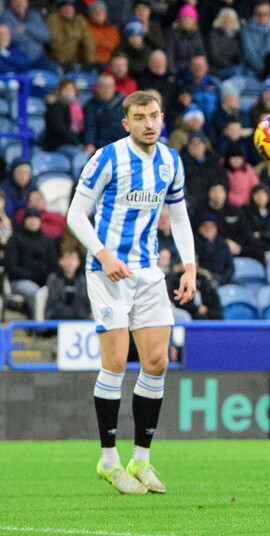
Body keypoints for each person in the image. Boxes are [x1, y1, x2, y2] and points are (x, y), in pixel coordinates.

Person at [66, 90, 197, 495]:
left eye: (155, 115)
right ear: (127, 123)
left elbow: (177, 214)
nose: (149, 123)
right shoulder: (107, 158)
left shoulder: (171, 161)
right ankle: (108, 460)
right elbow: (75, 213)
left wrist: (189, 265)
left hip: (148, 272)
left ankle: (141, 459)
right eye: (140, 117)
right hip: (107, 274)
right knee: (117, 361)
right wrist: (103, 256)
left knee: (156, 362)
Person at [5, 208, 57, 315]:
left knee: (58, 289)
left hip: (45, 281)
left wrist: (46, 277)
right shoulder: (15, 239)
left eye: (35, 218)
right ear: (24, 220)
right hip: (20, 281)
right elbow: (10, 267)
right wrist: (31, 275)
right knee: (34, 292)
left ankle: (57, 321)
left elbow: (53, 265)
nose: (32, 221)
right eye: (29, 218)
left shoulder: (47, 240)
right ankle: (39, 327)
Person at [45, 249, 92, 320]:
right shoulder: (53, 279)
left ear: (78, 262)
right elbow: (53, 301)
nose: (70, 262)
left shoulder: (82, 280)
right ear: (60, 261)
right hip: (57, 316)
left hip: (80, 317)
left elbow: (84, 301)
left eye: (73, 258)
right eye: (67, 258)